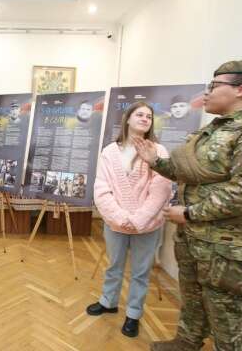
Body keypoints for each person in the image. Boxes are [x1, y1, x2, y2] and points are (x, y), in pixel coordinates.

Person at [133, 60, 242, 351]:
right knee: (193, 299)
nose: (206, 93)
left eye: (214, 86)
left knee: (227, 318)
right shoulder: (216, 129)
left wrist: (189, 212)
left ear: (241, 90)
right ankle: (186, 343)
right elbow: (192, 174)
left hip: (230, 246)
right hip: (197, 239)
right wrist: (157, 163)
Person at [86, 102, 172, 338]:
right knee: (114, 265)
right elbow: (101, 189)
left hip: (147, 226)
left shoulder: (159, 152)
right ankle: (108, 301)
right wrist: (121, 218)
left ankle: (133, 314)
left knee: (140, 272)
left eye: (149, 116)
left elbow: (161, 190)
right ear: (127, 118)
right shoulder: (109, 152)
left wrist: (139, 220)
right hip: (116, 224)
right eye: (140, 114)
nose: (145, 119)